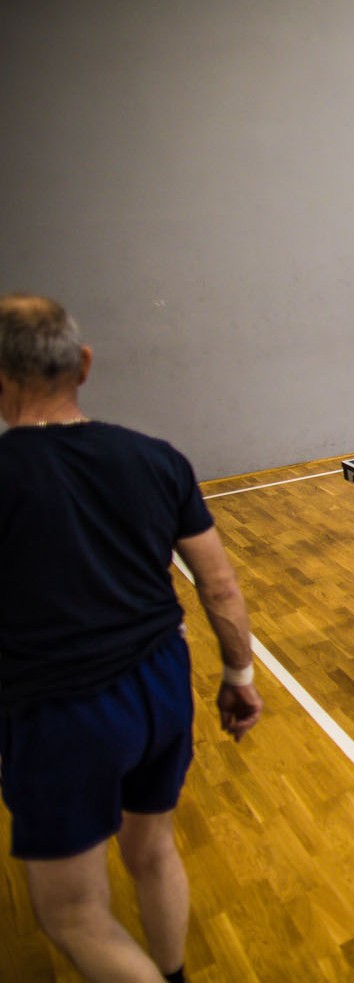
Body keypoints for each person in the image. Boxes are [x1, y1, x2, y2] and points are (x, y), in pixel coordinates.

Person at [0, 293, 262, 982]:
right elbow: (220, 587)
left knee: (74, 916)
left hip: (62, 709)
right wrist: (238, 676)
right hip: (160, 686)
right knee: (153, 850)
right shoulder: (155, 458)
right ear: (84, 364)